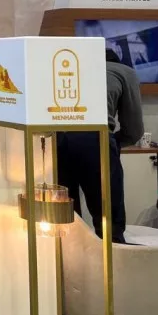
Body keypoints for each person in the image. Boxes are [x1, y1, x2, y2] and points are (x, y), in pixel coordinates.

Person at [57, 48, 144, 244]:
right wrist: (114, 142)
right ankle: (112, 255)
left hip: (57, 140)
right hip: (95, 139)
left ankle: (70, 257)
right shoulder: (124, 72)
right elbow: (134, 129)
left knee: (65, 215)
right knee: (108, 215)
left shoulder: (68, 69)